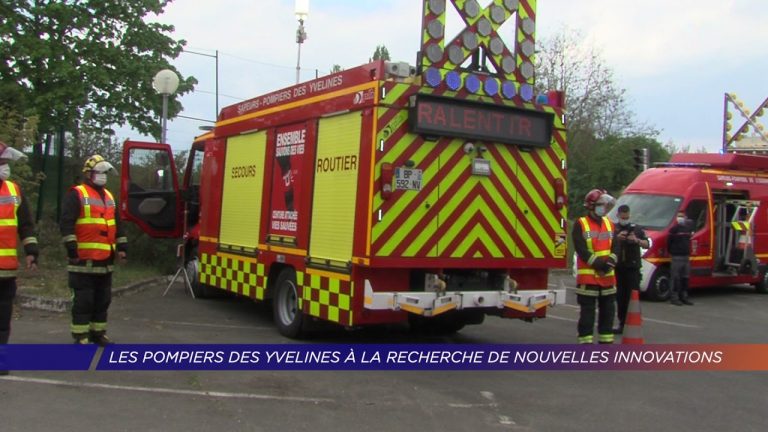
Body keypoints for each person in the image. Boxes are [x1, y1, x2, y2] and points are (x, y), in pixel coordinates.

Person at [60, 155, 127, 345]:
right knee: (83, 301)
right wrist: (72, 249)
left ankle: (98, 333)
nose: (103, 176)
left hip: (105, 261)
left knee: (102, 300)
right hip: (82, 261)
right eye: (100, 172)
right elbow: (66, 223)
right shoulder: (77, 194)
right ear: (89, 174)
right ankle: (81, 335)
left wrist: (122, 247)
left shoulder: (109, 197)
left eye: (105, 173)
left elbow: (117, 225)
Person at [0, 142, 38, 374]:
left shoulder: (14, 190)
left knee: (3, 318)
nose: (6, 167)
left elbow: (25, 225)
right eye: (2, 162)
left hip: (6, 270)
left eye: (6, 163)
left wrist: (32, 252)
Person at [572, 189, 617, 344]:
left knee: (608, 312)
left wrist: (610, 262)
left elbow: (616, 246)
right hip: (589, 277)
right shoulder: (581, 224)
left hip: (608, 277)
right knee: (587, 314)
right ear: (591, 206)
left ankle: (606, 341)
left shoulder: (610, 224)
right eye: (600, 205)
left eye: (605, 205)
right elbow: (581, 248)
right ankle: (585, 342)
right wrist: (599, 264)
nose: (604, 208)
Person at [612, 204, 650, 334]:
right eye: (623, 217)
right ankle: (622, 323)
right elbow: (601, 242)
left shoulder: (637, 229)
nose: (625, 219)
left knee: (633, 297)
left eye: (627, 217)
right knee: (620, 298)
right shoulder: (613, 229)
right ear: (618, 216)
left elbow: (647, 244)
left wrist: (636, 240)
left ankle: (635, 322)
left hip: (633, 269)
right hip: (619, 268)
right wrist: (617, 238)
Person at [668, 211, 693, 306]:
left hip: (686, 256)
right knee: (675, 278)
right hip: (676, 256)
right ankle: (674, 298)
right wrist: (672, 252)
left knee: (685, 278)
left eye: (682, 216)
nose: (680, 218)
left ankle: (684, 297)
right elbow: (669, 243)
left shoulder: (687, 229)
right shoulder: (673, 230)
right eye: (679, 216)